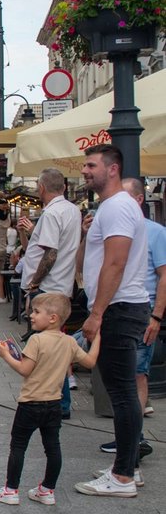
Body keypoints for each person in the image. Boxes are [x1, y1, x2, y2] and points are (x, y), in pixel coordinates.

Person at [74, 144, 148, 498]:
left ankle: (122, 478)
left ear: (113, 169)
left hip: (118, 308)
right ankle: (128, 466)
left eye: (91, 165)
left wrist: (97, 313)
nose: (85, 171)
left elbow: (115, 263)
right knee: (123, 392)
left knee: (121, 394)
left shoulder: (117, 206)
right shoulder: (113, 207)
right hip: (122, 306)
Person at [0, 293, 101, 506]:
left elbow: (24, 369)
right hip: (54, 405)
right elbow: (90, 362)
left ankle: (11, 490)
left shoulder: (36, 340)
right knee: (53, 447)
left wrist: (6, 355)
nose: (31, 315)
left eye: (36, 311)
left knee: (18, 446)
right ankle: (47, 490)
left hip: (30, 403)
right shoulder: (69, 342)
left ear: (53, 318)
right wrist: (97, 338)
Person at [93, 177, 166, 462]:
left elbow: (163, 276)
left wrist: (157, 315)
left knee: (135, 376)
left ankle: (136, 443)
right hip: (117, 309)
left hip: (140, 310)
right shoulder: (112, 226)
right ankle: (128, 440)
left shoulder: (154, 232)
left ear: (137, 200)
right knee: (121, 379)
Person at [14, 168, 82, 417]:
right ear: (64, 187)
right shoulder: (72, 210)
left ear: (41, 188)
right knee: (55, 348)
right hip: (62, 285)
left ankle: (53, 402)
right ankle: (57, 401)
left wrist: (34, 283)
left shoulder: (52, 213)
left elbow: (50, 253)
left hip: (49, 287)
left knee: (44, 350)